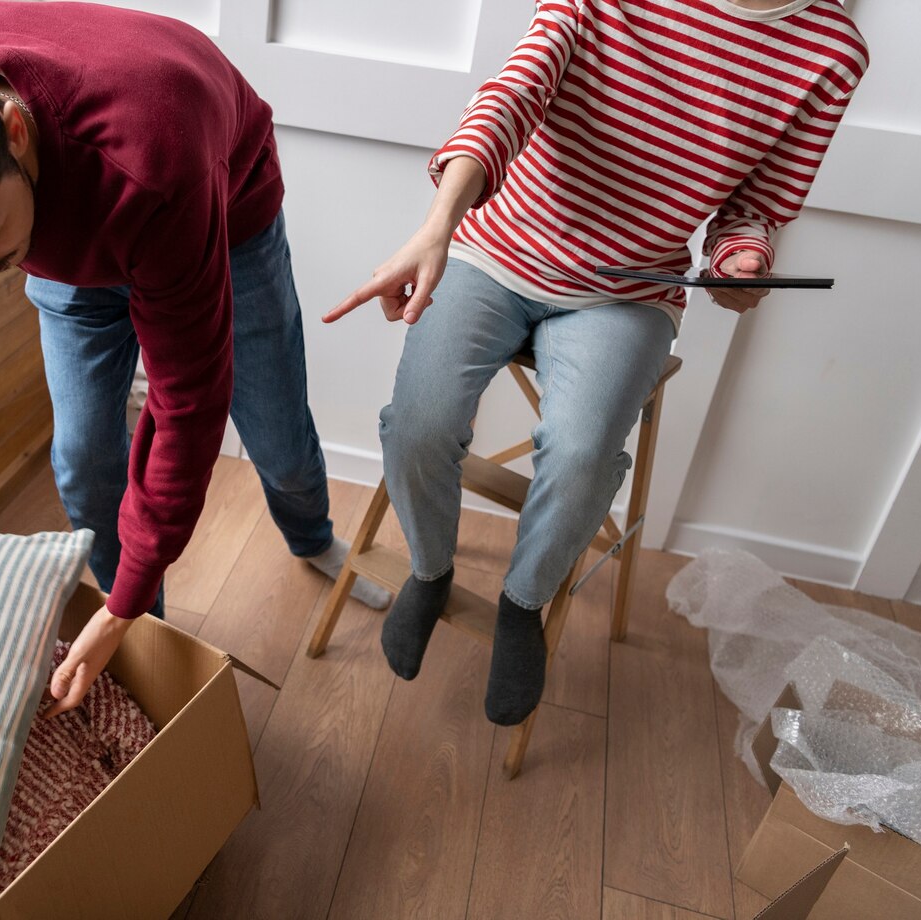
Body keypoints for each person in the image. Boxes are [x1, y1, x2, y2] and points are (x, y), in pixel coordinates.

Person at [0, 0, 389, 713]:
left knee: (278, 435)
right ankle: (139, 629)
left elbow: (187, 402)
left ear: (13, 134)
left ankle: (310, 533)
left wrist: (124, 592)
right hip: (67, 219)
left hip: (211, 208)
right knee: (81, 457)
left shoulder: (154, 158)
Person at [325, 0, 867, 726]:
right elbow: (514, 95)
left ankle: (525, 602)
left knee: (582, 455)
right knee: (419, 425)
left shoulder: (831, 50)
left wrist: (743, 264)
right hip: (494, 251)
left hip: (628, 291)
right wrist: (438, 227)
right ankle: (430, 569)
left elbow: (756, 206)